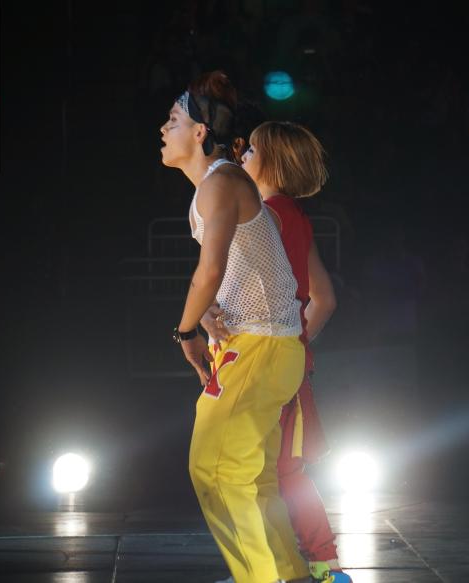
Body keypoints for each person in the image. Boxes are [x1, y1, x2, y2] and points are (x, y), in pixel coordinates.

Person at [160, 70, 309, 583]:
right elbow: (232, 267)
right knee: (249, 479)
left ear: (200, 131)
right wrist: (206, 310)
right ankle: (289, 574)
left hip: (261, 346)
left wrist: (186, 332)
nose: (164, 128)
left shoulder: (221, 183)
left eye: (174, 119)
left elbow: (211, 271)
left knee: (217, 472)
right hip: (263, 346)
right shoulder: (217, 185)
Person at [204, 120, 349, 583]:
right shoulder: (291, 215)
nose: (242, 154)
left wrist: (278, 341)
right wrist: (295, 345)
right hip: (282, 358)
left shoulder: (267, 216)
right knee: (277, 468)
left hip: (262, 357)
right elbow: (324, 298)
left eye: (252, 150)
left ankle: (316, 565)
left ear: (274, 162)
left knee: (274, 470)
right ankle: (301, 564)